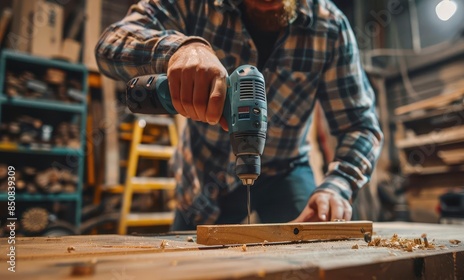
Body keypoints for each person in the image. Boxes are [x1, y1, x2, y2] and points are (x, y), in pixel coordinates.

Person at [95, 0, 383, 230]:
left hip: (287, 169)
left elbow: (360, 125)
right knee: (190, 265)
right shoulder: (195, 5)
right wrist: (181, 49)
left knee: (312, 247)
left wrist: (338, 185)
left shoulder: (330, 27)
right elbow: (111, 43)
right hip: (204, 172)